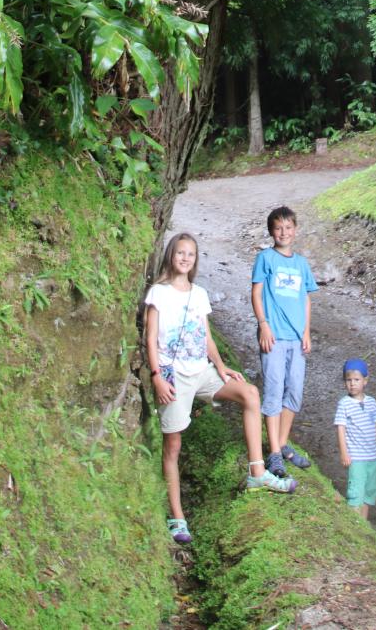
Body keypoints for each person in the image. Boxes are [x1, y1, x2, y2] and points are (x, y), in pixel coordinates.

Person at [145, 230, 296, 545]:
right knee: (172, 446)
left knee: (249, 393)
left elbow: (206, 336)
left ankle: (257, 472)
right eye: (180, 253)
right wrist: (157, 375)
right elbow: (150, 337)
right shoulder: (158, 293)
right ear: (171, 255)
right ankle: (177, 516)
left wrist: (222, 366)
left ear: (195, 260)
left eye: (191, 254)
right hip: (173, 375)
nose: (185, 258)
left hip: (203, 371)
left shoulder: (198, 294)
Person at [250, 204, 317, 477]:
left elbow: (306, 299)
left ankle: (281, 443)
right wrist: (263, 325)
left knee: (295, 393)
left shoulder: (301, 264)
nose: (283, 232)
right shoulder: (265, 258)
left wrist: (307, 331)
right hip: (274, 337)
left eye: (288, 227)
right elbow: (256, 293)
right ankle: (275, 454)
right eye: (278, 228)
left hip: (296, 338)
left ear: (296, 230)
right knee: (274, 390)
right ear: (271, 231)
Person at [334, 357, 376, 519]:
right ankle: (355, 523)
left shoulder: (372, 402)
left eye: (356, 379)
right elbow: (340, 428)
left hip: (371, 456)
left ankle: (364, 523)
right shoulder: (344, 404)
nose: (352, 384)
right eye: (349, 380)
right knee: (356, 491)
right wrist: (344, 453)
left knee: (369, 491)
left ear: (365, 381)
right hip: (356, 457)